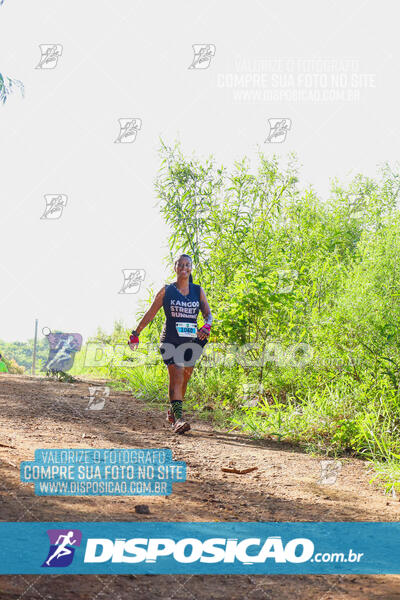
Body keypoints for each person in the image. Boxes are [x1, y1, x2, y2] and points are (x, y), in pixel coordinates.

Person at [128, 254, 212, 434]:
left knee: (185, 379)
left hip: (193, 340)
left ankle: (173, 412)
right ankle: (179, 420)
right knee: (178, 375)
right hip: (171, 340)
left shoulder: (198, 291)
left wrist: (207, 325)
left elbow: (208, 314)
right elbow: (150, 313)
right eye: (180, 265)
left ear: (191, 268)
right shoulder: (167, 291)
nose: (184, 268)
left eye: (187, 265)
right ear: (175, 268)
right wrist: (136, 333)